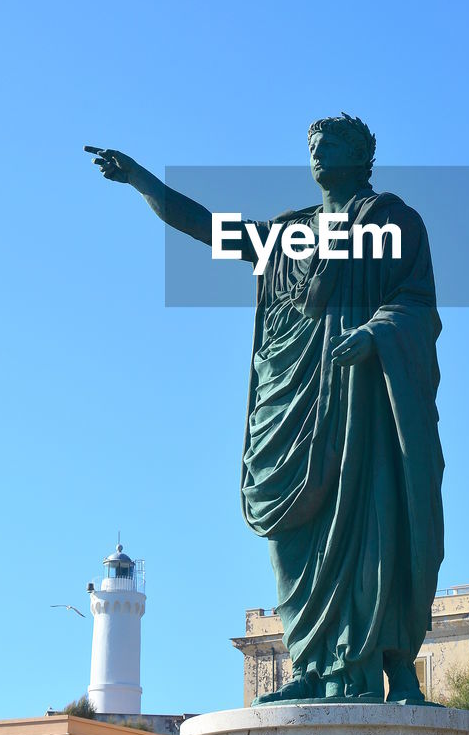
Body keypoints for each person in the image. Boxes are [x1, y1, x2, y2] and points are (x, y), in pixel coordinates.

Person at [89, 114, 444, 703]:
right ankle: (309, 665)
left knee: (374, 527)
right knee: (291, 532)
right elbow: (203, 226)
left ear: (361, 154)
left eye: (331, 143)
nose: (318, 153)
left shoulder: (391, 220)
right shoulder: (288, 234)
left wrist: (379, 330)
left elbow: (418, 302)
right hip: (292, 405)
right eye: (312, 145)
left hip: (362, 407)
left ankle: (386, 663)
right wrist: (141, 180)